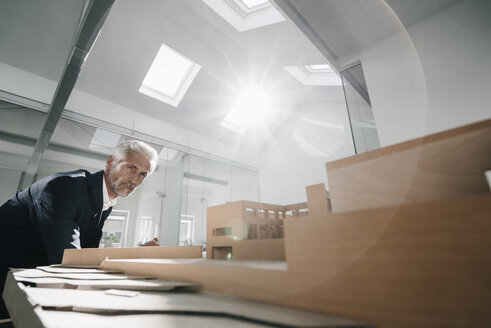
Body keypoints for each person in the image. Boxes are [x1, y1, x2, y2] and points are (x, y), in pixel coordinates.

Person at [0, 140, 159, 319]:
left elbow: (88, 255)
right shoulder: (65, 187)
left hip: (26, 280)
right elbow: (68, 260)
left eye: (143, 174)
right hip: (7, 278)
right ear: (110, 162)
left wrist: (135, 254)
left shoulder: (105, 202)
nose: (135, 179)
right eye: (131, 167)